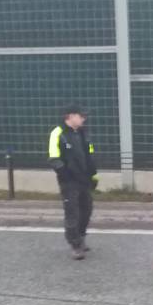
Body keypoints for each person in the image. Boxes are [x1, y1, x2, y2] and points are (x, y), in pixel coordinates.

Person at [48, 106, 98, 259]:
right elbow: (54, 158)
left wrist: (93, 175)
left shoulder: (83, 133)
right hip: (69, 182)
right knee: (72, 213)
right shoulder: (58, 133)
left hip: (84, 180)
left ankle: (81, 236)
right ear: (70, 116)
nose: (84, 119)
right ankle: (75, 245)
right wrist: (65, 175)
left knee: (87, 210)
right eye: (81, 116)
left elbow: (90, 155)